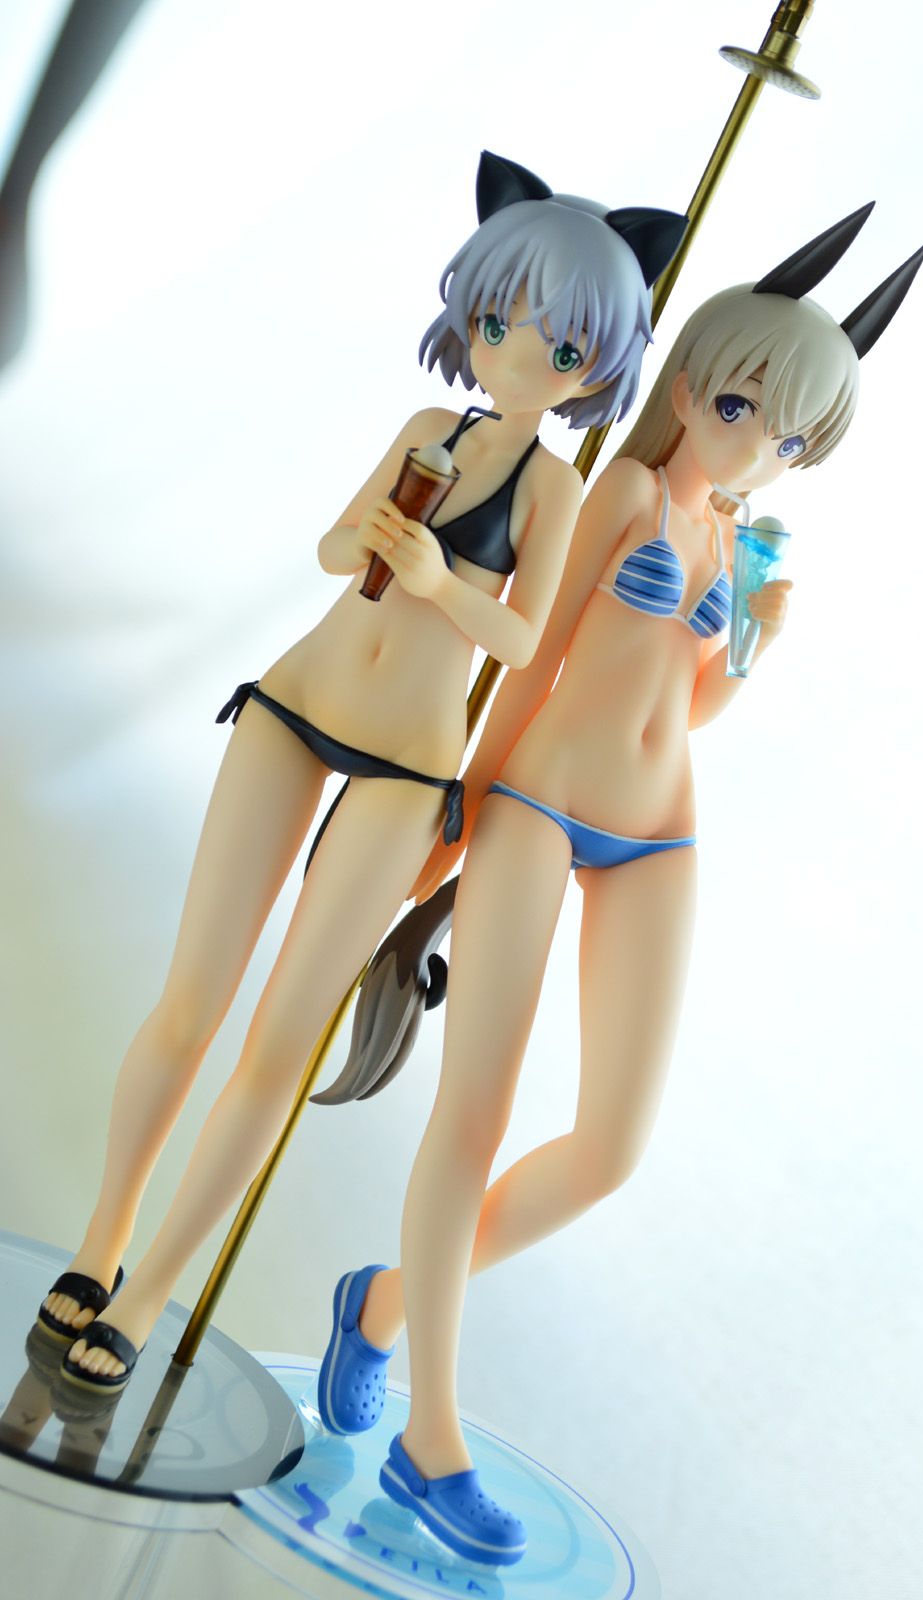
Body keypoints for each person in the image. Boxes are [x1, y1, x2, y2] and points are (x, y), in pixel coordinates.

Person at [316, 205, 923, 1567]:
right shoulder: (626, 499)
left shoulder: (727, 535)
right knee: (473, 1116)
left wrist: (747, 644)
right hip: (536, 803)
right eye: (740, 410)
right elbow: (528, 665)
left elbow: (685, 709)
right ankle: (431, 1439)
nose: (754, 450)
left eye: (790, 441)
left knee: (609, 1151)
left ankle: (384, 1305)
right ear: (692, 380)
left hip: (660, 830)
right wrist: (458, 817)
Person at [38, 149, 686, 1391]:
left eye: (560, 347)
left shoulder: (554, 487)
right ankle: (101, 1241)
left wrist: (441, 579)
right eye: (498, 324)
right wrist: (374, 538)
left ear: (593, 364)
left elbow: (521, 641)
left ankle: (152, 1292)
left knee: (276, 1046)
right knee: (187, 1004)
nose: (519, 356)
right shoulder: (426, 430)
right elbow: (335, 548)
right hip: (298, 701)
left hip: (409, 763)